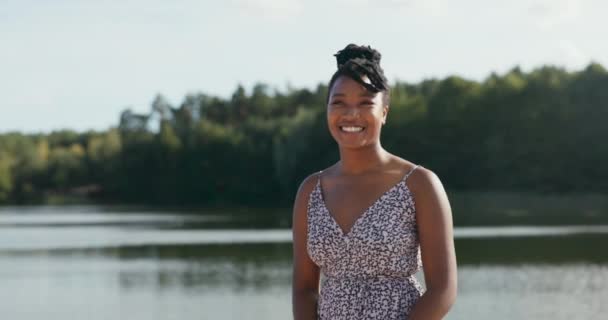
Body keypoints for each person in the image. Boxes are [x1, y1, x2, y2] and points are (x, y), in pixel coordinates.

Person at [291, 44, 457, 320]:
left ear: (384, 112)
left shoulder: (419, 184)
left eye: (366, 103)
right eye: (339, 102)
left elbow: (444, 289)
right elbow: (304, 289)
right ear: (327, 110)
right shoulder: (311, 190)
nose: (351, 114)